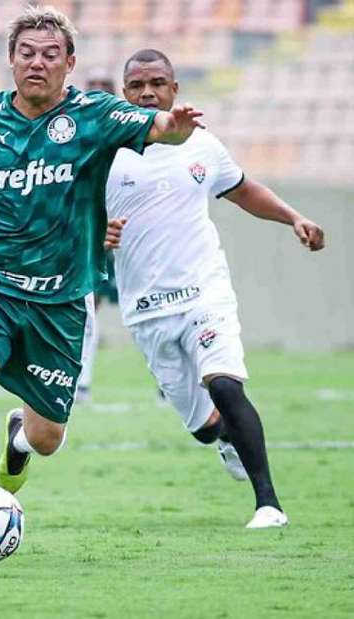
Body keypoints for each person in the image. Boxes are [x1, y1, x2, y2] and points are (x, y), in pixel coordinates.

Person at [0, 5, 205, 565]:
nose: (36, 63)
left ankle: (19, 436)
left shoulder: (95, 114)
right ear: (11, 61)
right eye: (26, 53)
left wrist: (175, 128)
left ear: (69, 63)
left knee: (47, 438)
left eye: (49, 54)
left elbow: (159, 127)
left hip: (61, 300)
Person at [104, 49, 325, 528]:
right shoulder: (105, 152)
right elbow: (77, 221)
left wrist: (293, 217)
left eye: (157, 83)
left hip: (203, 292)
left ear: (175, 89)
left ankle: (269, 504)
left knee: (224, 383)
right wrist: (100, 234)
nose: (147, 93)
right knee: (205, 428)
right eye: (137, 85)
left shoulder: (202, 144)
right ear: (124, 94)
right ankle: (225, 438)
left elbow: (243, 188)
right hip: (146, 310)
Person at [76, 68, 118, 403]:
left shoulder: (126, 130)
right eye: (94, 86)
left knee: (143, 304)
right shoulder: (72, 129)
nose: (99, 91)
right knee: (88, 305)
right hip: (89, 235)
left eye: (106, 86)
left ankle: (170, 385)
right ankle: (82, 383)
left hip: (128, 234)